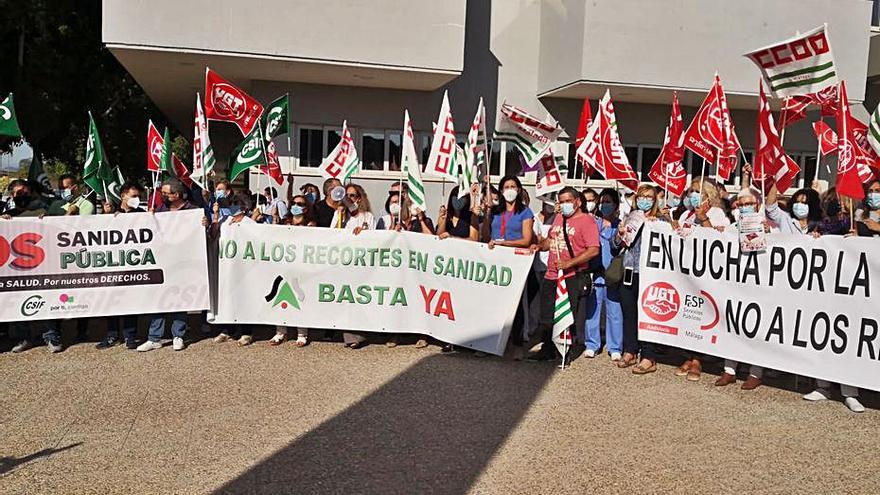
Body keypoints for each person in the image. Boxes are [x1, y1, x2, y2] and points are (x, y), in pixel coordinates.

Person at [763, 183, 864, 412]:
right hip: (799, 289)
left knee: (842, 338)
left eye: (805, 202)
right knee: (816, 337)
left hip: (834, 291)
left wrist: (850, 238)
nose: (800, 205)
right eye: (797, 201)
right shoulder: (795, 222)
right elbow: (770, 209)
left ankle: (850, 391)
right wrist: (776, 179)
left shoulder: (834, 225)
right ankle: (822, 386)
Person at [527, 186, 600, 364]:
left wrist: (569, 264)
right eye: (562, 201)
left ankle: (565, 351)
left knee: (567, 316)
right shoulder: (559, 218)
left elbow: (593, 250)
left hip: (571, 275)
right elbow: (551, 241)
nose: (565, 204)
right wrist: (540, 244)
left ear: (577, 202)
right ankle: (548, 349)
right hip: (551, 274)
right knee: (547, 316)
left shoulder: (586, 221)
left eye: (568, 201)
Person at [672, 177, 731, 381]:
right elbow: (678, 237)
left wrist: (704, 219)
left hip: (707, 275)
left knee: (702, 316)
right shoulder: (687, 214)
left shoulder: (717, 213)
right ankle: (688, 355)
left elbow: (720, 241)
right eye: (690, 192)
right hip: (687, 274)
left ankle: (698, 359)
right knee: (688, 314)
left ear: (709, 196)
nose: (692, 195)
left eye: (697, 191)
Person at [137, 179, 197, 352]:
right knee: (160, 299)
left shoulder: (192, 211)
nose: (161, 196)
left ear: (176, 195)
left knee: (181, 299)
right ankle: (154, 337)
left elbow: (203, 233)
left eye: (164, 193)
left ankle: (178, 335)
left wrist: (204, 224)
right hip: (163, 262)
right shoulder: (161, 210)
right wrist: (150, 218)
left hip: (184, 262)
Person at [1, 180, 62, 353]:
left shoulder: (42, 212)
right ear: (12, 196)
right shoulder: (8, 215)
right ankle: (24, 338)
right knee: (16, 304)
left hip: (42, 269)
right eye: (19, 193)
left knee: (45, 301)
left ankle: (51, 336)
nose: (23, 196)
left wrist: (49, 220)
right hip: (15, 271)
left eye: (26, 192)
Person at [714, 188, 764, 390]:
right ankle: (730, 370)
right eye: (740, 204)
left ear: (757, 205)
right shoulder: (732, 226)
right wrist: (718, 234)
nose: (744, 207)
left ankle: (756, 372)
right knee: (732, 323)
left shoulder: (769, 226)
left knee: (757, 327)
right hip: (735, 282)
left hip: (760, 284)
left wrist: (769, 232)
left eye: (748, 203)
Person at [615, 184, 667, 373]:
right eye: (641, 197)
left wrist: (659, 224)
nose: (645, 200)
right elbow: (616, 245)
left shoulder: (661, 219)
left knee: (649, 314)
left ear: (655, 200)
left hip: (651, 274)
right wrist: (619, 234)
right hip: (629, 270)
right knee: (629, 312)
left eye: (649, 197)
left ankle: (649, 355)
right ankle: (630, 350)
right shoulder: (630, 217)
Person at [96, 182, 146, 350]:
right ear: (123, 195)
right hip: (112, 264)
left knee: (130, 300)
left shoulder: (141, 213)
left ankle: (130, 336)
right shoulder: (110, 211)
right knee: (112, 300)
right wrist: (106, 215)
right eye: (134, 196)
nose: (137, 199)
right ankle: (112, 335)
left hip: (132, 264)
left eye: (138, 196)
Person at [268, 195, 316, 347]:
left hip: (301, 268)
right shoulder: (285, 222)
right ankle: (280, 332)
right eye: (293, 203)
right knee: (280, 298)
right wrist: (275, 219)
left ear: (306, 208)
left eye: (300, 204)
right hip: (284, 266)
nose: (296, 205)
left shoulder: (311, 225)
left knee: (300, 298)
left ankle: (302, 333)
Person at [330, 183, 374, 348]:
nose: (349, 198)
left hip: (361, 263)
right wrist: (340, 216)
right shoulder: (339, 214)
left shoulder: (367, 216)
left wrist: (362, 232)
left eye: (352, 195)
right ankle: (350, 336)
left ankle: (358, 334)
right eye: (346, 195)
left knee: (357, 298)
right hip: (343, 262)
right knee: (346, 298)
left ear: (359, 198)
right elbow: (332, 234)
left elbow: (372, 235)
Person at [584, 188, 623, 361]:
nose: (604, 205)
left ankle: (615, 346)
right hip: (596, 272)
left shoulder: (621, 225)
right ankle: (592, 344)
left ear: (615, 205)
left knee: (615, 311)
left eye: (608, 201)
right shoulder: (593, 222)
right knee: (593, 310)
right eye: (602, 202)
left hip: (613, 274)